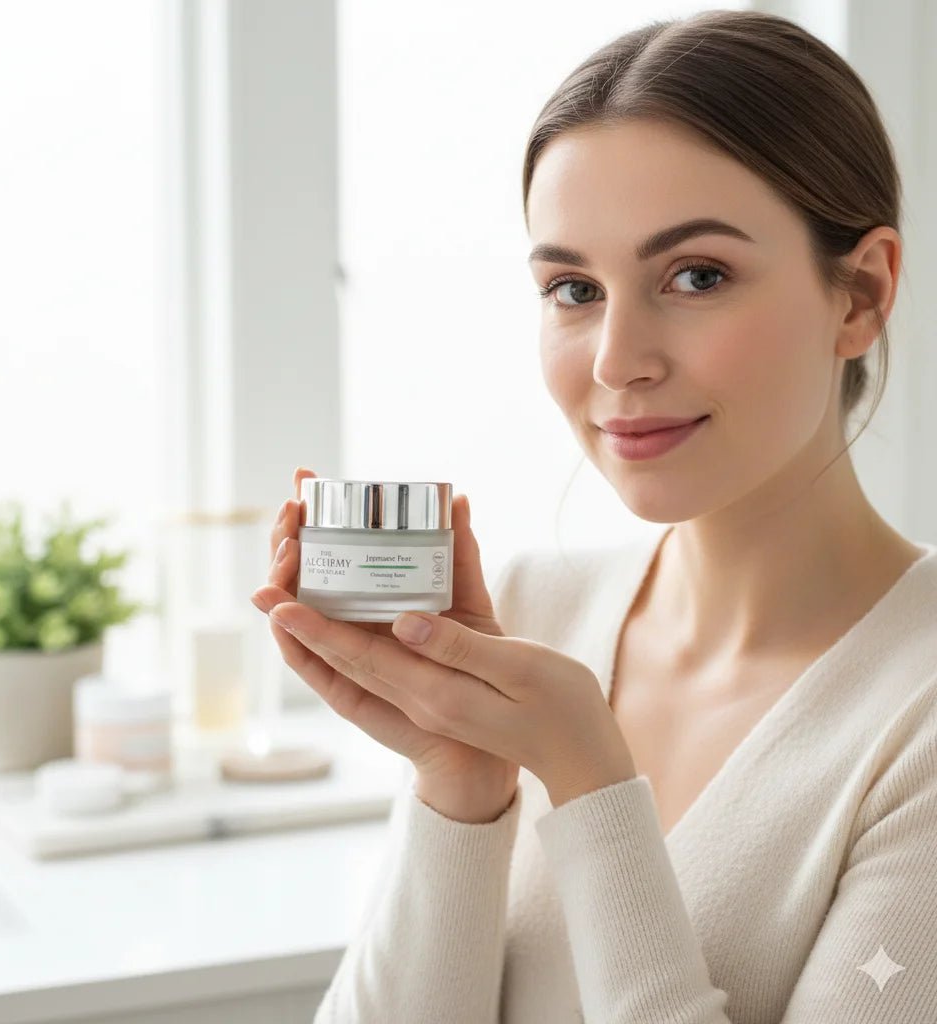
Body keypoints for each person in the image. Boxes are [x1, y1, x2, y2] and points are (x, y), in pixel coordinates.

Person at [252, 9, 937, 1021]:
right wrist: (461, 788)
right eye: (572, 288)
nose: (617, 359)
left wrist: (586, 777)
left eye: (695, 276)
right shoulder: (530, 612)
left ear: (860, 294)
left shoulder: (913, 716)